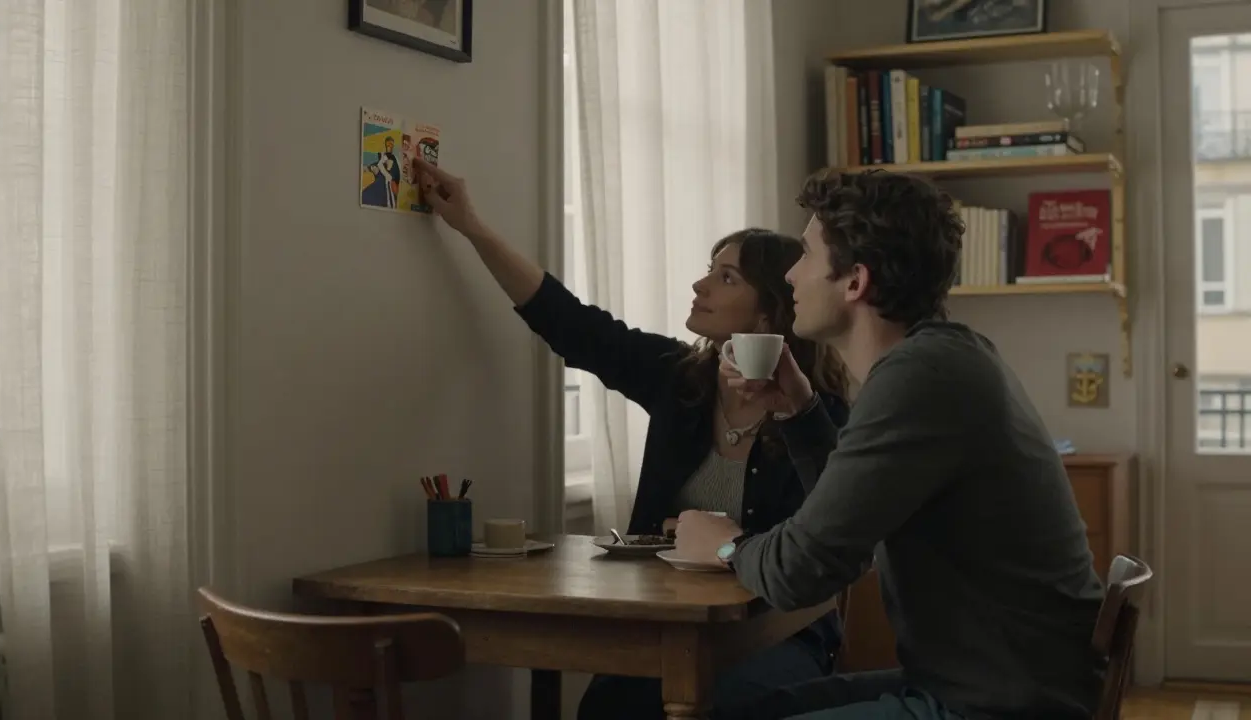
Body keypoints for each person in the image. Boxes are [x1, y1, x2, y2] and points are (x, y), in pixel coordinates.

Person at [412, 156, 851, 720]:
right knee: (607, 707)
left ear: (770, 309)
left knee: (723, 705)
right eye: (708, 269)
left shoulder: (820, 417)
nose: (699, 284)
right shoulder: (679, 379)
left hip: (777, 633)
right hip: (667, 625)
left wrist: (721, 545)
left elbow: (824, 550)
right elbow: (566, 319)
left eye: (726, 276)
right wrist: (472, 226)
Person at [675, 169, 1106, 720]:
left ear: (855, 281)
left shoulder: (920, 378)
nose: (789, 275)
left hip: (997, 704)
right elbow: (849, 531)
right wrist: (800, 410)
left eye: (805, 255)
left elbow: (800, 571)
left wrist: (725, 544)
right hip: (986, 680)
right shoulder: (942, 359)